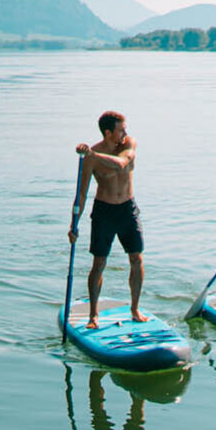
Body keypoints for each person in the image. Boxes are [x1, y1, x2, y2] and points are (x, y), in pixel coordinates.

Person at [73, 110, 146, 327]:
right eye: (121, 130)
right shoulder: (91, 158)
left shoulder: (128, 144)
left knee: (136, 258)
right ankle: (93, 315)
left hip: (127, 209)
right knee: (99, 263)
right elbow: (82, 193)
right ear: (108, 132)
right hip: (104, 211)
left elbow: (121, 163)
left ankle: (134, 309)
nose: (125, 133)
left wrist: (92, 155)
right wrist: (73, 225)